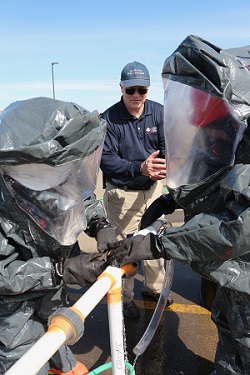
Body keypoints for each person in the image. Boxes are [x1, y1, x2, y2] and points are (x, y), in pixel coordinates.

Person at [106, 35, 250, 374]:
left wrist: (160, 242)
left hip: (241, 269)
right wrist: (175, 198)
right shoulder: (232, 131)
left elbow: (235, 227)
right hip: (235, 283)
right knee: (229, 340)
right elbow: (214, 173)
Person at [0, 97, 116, 375]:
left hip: (51, 293)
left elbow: (75, 196)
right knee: (24, 360)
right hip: (12, 310)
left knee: (56, 329)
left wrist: (100, 224)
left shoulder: (48, 177)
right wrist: (58, 270)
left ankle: (62, 364)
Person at [100, 61, 173, 319]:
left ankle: (154, 289)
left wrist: (164, 168)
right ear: (121, 88)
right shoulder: (108, 119)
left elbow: (168, 146)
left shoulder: (159, 113)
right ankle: (125, 298)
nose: (136, 96)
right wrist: (139, 168)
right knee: (126, 248)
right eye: (130, 90)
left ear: (148, 89)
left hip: (153, 191)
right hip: (123, 194)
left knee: (154, 241)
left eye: (141, 90)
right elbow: (105, 159)